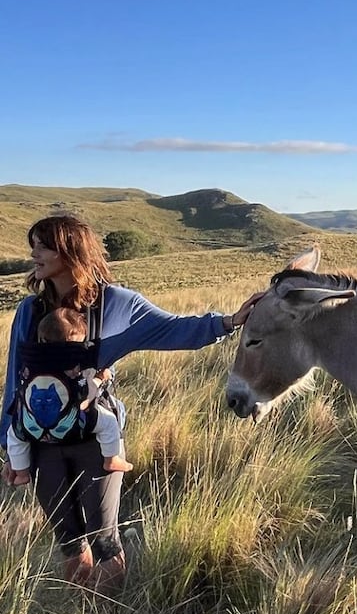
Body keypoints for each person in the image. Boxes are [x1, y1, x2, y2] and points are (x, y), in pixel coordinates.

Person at [1, 214, 260, 593]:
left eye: (43, 245)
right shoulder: (28, 310)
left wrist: (227, 322)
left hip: (96, 442)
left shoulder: (117, 305)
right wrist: (10, 444)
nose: (34, 253)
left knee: (105, 540)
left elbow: (175, 329)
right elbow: (14, 383)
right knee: (68, 539)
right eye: (33, 245)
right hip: (41, 442)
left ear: (71, 251)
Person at [6, 307, 133, 486]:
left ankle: (21, 472)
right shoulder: (75, 363)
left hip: (30, 422)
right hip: (76, 421)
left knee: (15, 435)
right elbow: (87, 394)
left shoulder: (31, 359)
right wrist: (100, 378)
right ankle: (111, 459)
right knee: (109, 422)